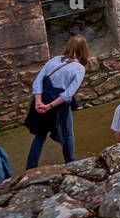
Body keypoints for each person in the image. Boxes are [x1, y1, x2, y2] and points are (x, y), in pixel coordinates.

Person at [25, 35, 87, 169]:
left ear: (68, 46)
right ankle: (71, 164)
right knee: (68, 134)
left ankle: (30, 168)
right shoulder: (79, 68)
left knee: (40, 137)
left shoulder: (54, 60)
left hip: (42, 100)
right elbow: (68, 94)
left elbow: (38, 82)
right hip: (58, 106)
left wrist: (38, 102)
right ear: (84, 50)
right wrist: (50, 106)